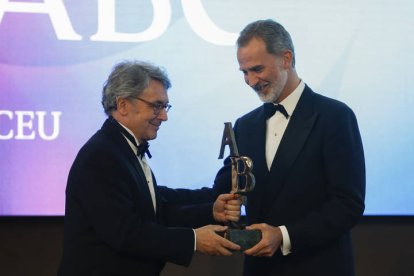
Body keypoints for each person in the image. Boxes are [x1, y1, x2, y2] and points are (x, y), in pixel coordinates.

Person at [58, 61, 241, 276]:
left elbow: (155, 208)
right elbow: (126, 232)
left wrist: (210, 210)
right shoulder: (101, 156)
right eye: (156, 106)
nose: (164, 116)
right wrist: (194, 240)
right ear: (123, 105)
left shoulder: (122, 148)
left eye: (165, 107)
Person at [213, 19, 366, 276]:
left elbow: (347, 204)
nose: (250, 81)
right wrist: (223, 205)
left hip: (318, 267)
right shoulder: (245, 125)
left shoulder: (335, 116)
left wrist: (284, 236)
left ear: (286, 58)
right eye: (244, 72)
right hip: (259, 270)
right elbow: (226, 187)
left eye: (257, 69)